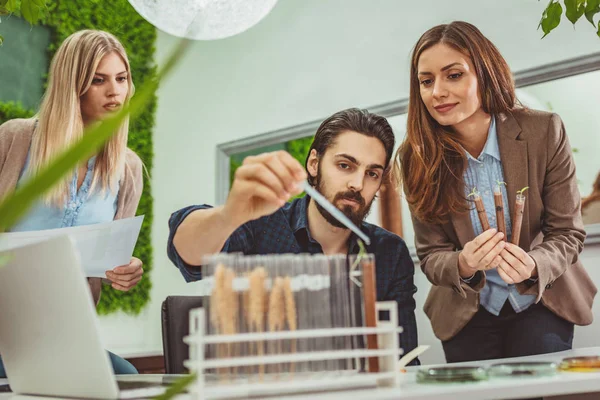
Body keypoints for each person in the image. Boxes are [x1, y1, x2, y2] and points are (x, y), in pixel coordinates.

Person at [394, 21, 596, 363]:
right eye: (426, 81)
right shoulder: (416, 158)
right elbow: (430, 254)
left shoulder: (544, 131)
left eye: (453, 75)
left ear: (484, 73)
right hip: (465, 310)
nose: (437, 91)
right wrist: (464, 262)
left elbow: (567, 232)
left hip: (541, 299)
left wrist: (534, 263)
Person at [168, 108, 419, 363]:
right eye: (345, 165)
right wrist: (230, 215)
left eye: (372, 173)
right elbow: (186, 252)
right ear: (313, 163)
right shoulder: (262, 225)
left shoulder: (390, 252)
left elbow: (405, 360)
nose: (357, 183)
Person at [0, 30, 145, 375]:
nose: (115, 92)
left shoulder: (128, 168)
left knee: (127, 377)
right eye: (99, 80)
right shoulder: (15, 139)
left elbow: (109, 262)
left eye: (121, 78)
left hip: (65, 329)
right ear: (73, 85)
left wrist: (124, 271)